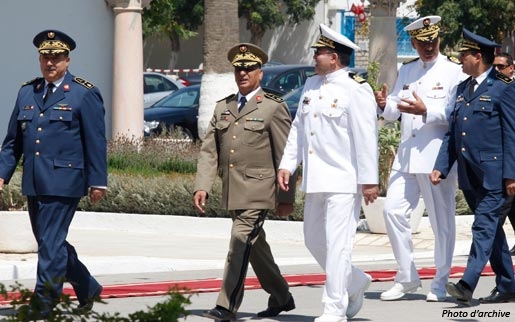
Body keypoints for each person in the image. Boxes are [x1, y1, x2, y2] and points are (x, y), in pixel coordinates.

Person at [0, 30, 107, 318]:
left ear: (67, 60)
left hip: (65, 182)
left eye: (56, 58)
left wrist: (98, 182)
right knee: (51, 242)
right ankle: (88, 286)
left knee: (49, 245)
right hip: (34, 182)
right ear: (39, 59)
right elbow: (13, 141)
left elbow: (95, 142)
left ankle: (44, 305)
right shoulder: (27, 91)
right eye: (45, 57)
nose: (50, 63)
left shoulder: (84, 94)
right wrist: (2, 173)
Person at [277, 24, 378, 322]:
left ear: (334, 57)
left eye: (319, 52)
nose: (315, 56)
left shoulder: (356, 89)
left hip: (344, 181)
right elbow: (298, 129)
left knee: (338, 245)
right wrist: (287, 164)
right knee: (312, 239)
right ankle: (355, 280)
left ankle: (334, 309)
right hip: (317, 179)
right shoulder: (311, 86)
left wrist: (369, 180)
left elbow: (366, 136)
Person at [193, 43, 296, 321]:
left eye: (249, 68)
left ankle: (226, 305)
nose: (242, 73)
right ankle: (282, 297)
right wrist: (202, 185)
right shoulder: (223, 106)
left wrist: (286, 199)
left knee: (240, 241)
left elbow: (286, 155)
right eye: (239, 68)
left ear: (260, 73)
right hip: (234, 191)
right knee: (254, 245)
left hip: (260, 190)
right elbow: (209, 151)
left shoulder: (273, 107)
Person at [374, 15, 466, 302]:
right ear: (413, 43)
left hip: (435, 157)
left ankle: (439, 281)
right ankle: (407, 276)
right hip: (407, 156)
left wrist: (427, 110)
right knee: (393, 211)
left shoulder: (453, 71)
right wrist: (383, 105)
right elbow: (396, 109)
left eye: (433, 41)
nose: (429, 47)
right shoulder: (408, 69)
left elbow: (455, 114)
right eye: (422, 43)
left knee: (442, 223)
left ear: (439, 39)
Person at [431, 28, 515, 305]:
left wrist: (511, 175)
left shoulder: (503, 87)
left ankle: (467, 284)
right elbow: (454, 134)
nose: (460, 60)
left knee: (483, 226)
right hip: (470, 175)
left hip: (496, 176)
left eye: (464, 55)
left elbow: (512, 134)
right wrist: (441, 166)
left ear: (477, 57)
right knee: (493, 233)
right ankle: (508, 285)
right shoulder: (462, 89)